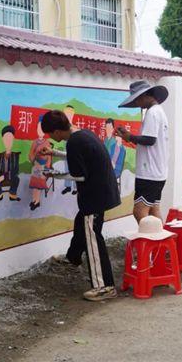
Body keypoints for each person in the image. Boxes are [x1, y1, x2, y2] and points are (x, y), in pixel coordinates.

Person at [40, 110, 120, 302]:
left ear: (58, 131)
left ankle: (104, 286)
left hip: (95, 196)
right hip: (104, 191)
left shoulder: (74, 142)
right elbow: (80, 157)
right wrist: (55, 153)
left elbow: (80, 175)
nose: (51, 138)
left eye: (51, 134)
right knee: (81, 223)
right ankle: (73, 257)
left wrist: (54, 175)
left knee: (92, 236)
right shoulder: (81, 135)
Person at [116, 80, 169, 222]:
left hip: (149, 174)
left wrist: (129, 137)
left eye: (137, 100)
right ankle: (162, 242)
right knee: (153, 210)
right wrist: (130, 136)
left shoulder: (152, 113)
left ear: (144, 96)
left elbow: (150, 140)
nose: (137, 104)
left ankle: (151, 241)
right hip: (158, 172)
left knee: (139, 211)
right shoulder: (159, 111)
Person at [28, 116, 52, 211]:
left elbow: (49, 156)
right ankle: (34, 200)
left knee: (38, 185)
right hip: (36, 166)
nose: (40, 130)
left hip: (43, 167)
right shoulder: (34, 142)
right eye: (38, 128)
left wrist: (47, 167)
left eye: (41, 128)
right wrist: (33, 156)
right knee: (34, 184)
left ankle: (37, 201)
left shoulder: (47, 143)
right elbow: (30, 155)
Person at [0, 125, 21, 205]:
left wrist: (5, 176)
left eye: (10, 139)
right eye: (6, 139)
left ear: (13, 139)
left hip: (11, 175)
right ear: (2, 140)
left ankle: (12, 195)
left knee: (16, 179)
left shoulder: (15, 155)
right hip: (2, 176)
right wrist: (0, 176)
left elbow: (16, 170)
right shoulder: (1, 156)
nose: (8, 141)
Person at [61, 105, 77, 196]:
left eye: (70, 113)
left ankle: (75, 187)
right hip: (66, 150)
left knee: (75, 169)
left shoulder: (74, 127)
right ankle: (68, 186)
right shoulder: (63, 128)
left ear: (73, 114)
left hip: (74, 151)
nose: (68, 115)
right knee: (67, 168)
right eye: (66, 113)